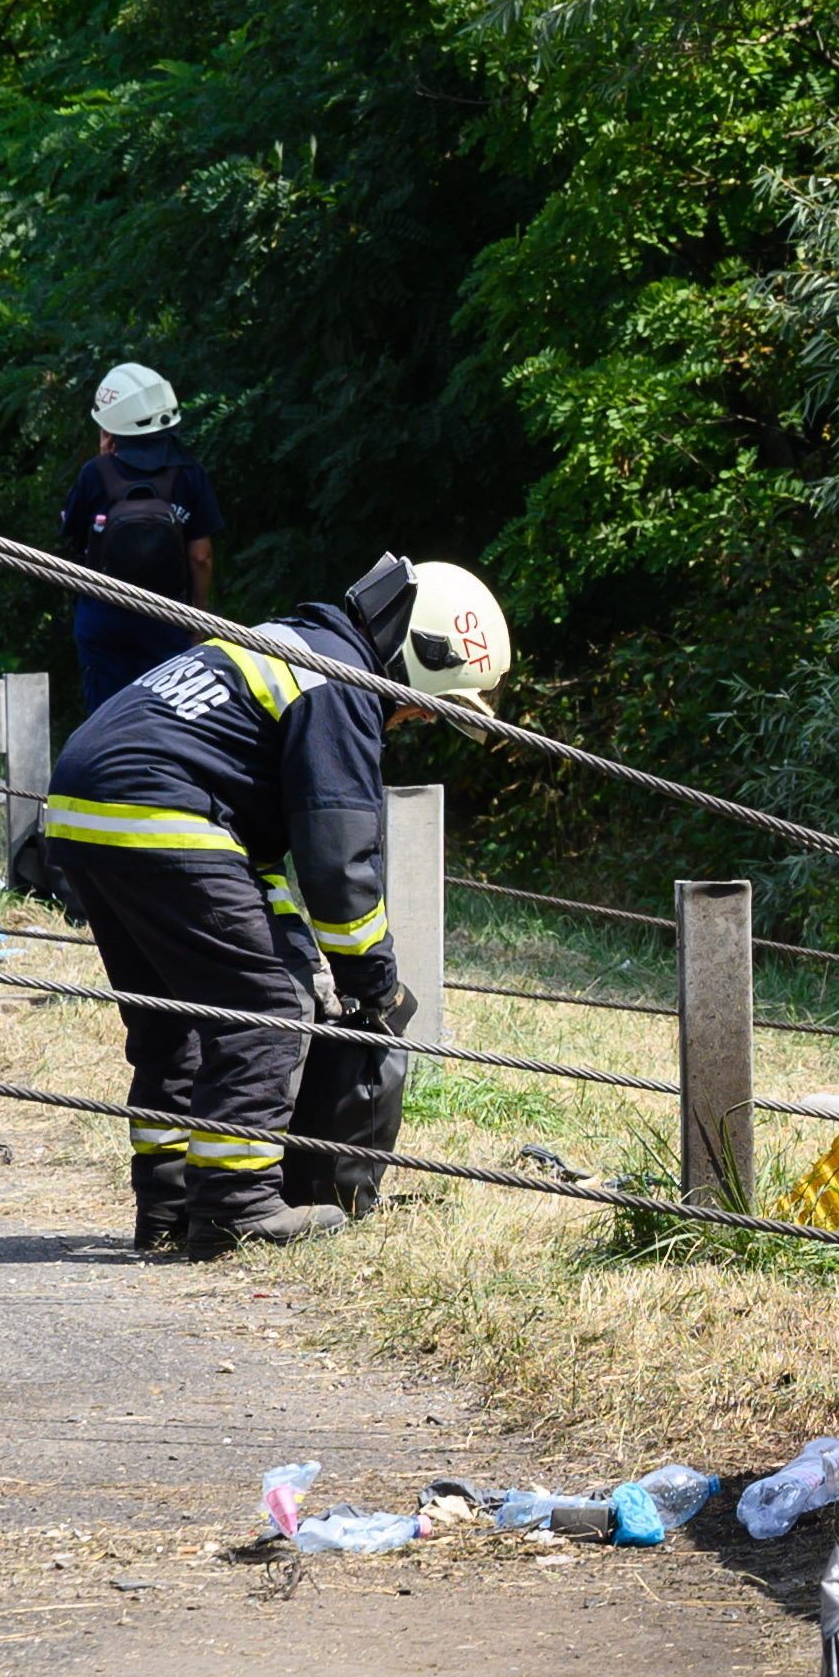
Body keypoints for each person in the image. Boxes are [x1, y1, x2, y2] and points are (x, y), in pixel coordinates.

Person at [48, 554, 508, 1253]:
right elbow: (339, 865)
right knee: (264, 1007)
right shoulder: (341, 686)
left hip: (84, 809)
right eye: (424, 708)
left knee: (177, 1023)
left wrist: (301, 947)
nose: (411, 721)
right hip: (161, 808)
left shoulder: (290, 643)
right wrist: (371, 983)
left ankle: (168, 1204)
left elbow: (252, 851)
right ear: (422, 659)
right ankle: (236, 1203)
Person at [58, 363, 221, 700]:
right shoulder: (190, 473)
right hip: (167, 616)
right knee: (169, 713)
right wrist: (199, 613)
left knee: (107, 715)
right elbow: (201, 556)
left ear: (111, 427)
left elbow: (70, 533)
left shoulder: (95, 473)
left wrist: (103, 464)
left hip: (103, 613)